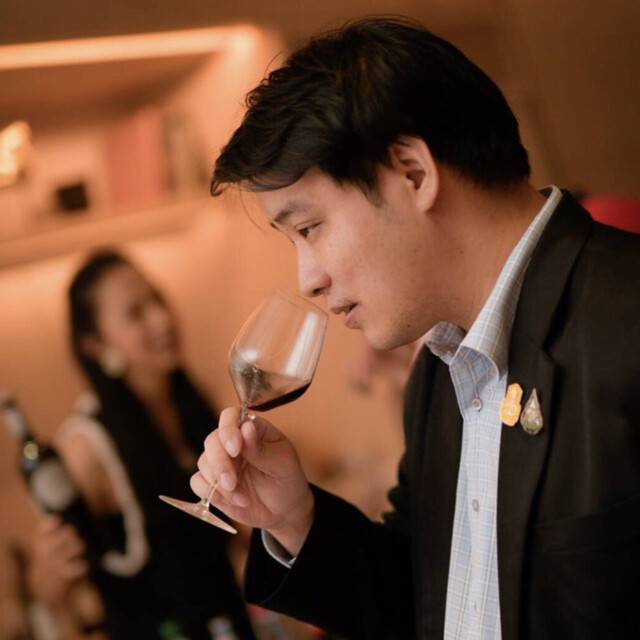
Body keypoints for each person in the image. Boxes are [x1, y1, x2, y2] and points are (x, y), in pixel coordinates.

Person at [189, 16, 640, 640]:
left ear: (413, 174)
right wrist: (294, 518)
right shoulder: (440, 371)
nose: (307, 278)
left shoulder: (624, 320)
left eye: (309, 228)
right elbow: (436, 599)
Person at [31, 251, 256, 640]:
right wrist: (48, 576)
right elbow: (52, 586)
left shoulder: (192, 407)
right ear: (96, 345)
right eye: (135, 313)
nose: (161, 318)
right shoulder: (89, 446)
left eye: (156, 298)